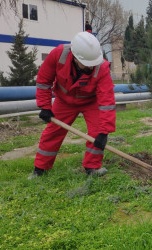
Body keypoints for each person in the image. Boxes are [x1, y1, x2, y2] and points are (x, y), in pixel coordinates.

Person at [30, 31, 116, 179]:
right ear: (75, 56)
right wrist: (45, 106)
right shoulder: (58, 55)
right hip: (64, 101)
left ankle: (92, 168)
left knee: (97, 132)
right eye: (87, 64)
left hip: (91, 101)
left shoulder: (101, 67)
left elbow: (107, 101)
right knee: (53, 132)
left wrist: (104, 131)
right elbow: (44, 81)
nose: (91, 67)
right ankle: (40, 169)